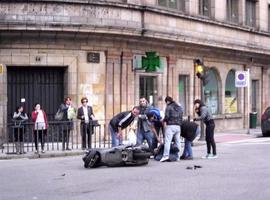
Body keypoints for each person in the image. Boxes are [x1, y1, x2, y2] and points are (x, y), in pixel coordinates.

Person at [160, 96, 183, 162]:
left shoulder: (168, 107)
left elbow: (167, 117)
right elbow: (181, 116)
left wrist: (163, 120)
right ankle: (178, 156)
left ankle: (165, 156)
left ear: (167, 101)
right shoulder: (179, 107)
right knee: (178, 142)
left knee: (167, 141)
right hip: (178, 126)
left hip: (170, 126)